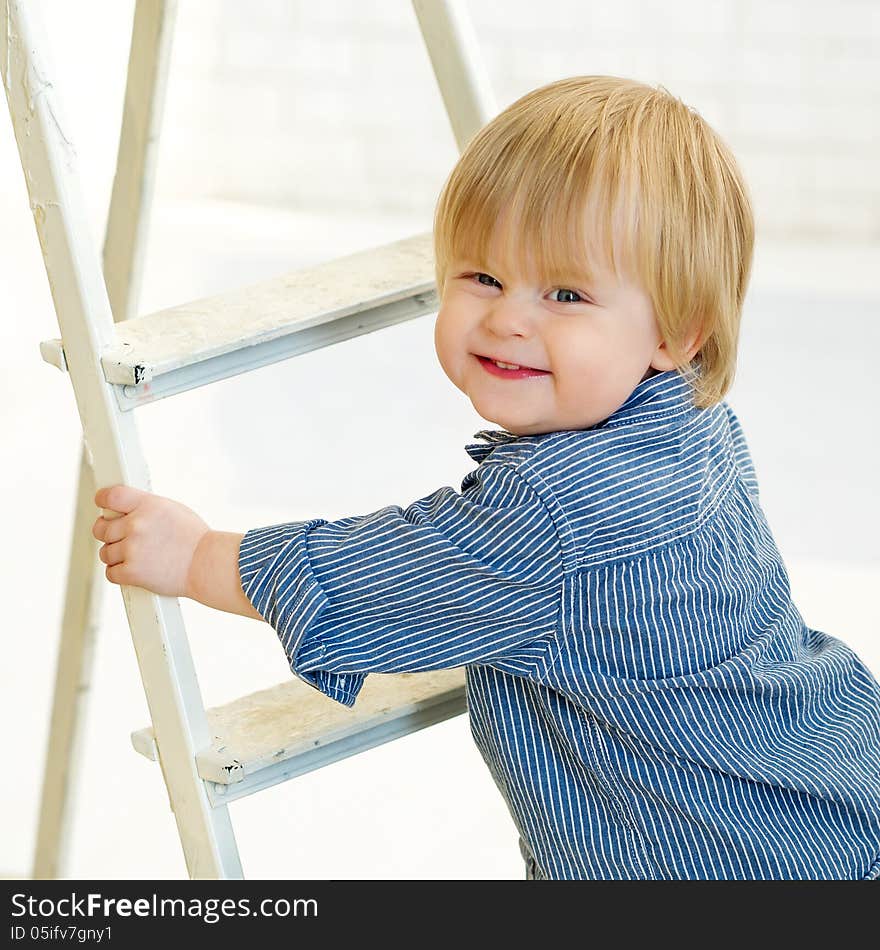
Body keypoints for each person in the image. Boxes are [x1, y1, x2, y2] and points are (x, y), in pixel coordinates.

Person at [92, 75, 880, 880]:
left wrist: (196, 557)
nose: (509, 318)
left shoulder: (552, 511)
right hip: (834, 785)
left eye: (566, 294)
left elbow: (381, 581)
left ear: (677, 334)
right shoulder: (695, 420)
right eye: (482, 277)